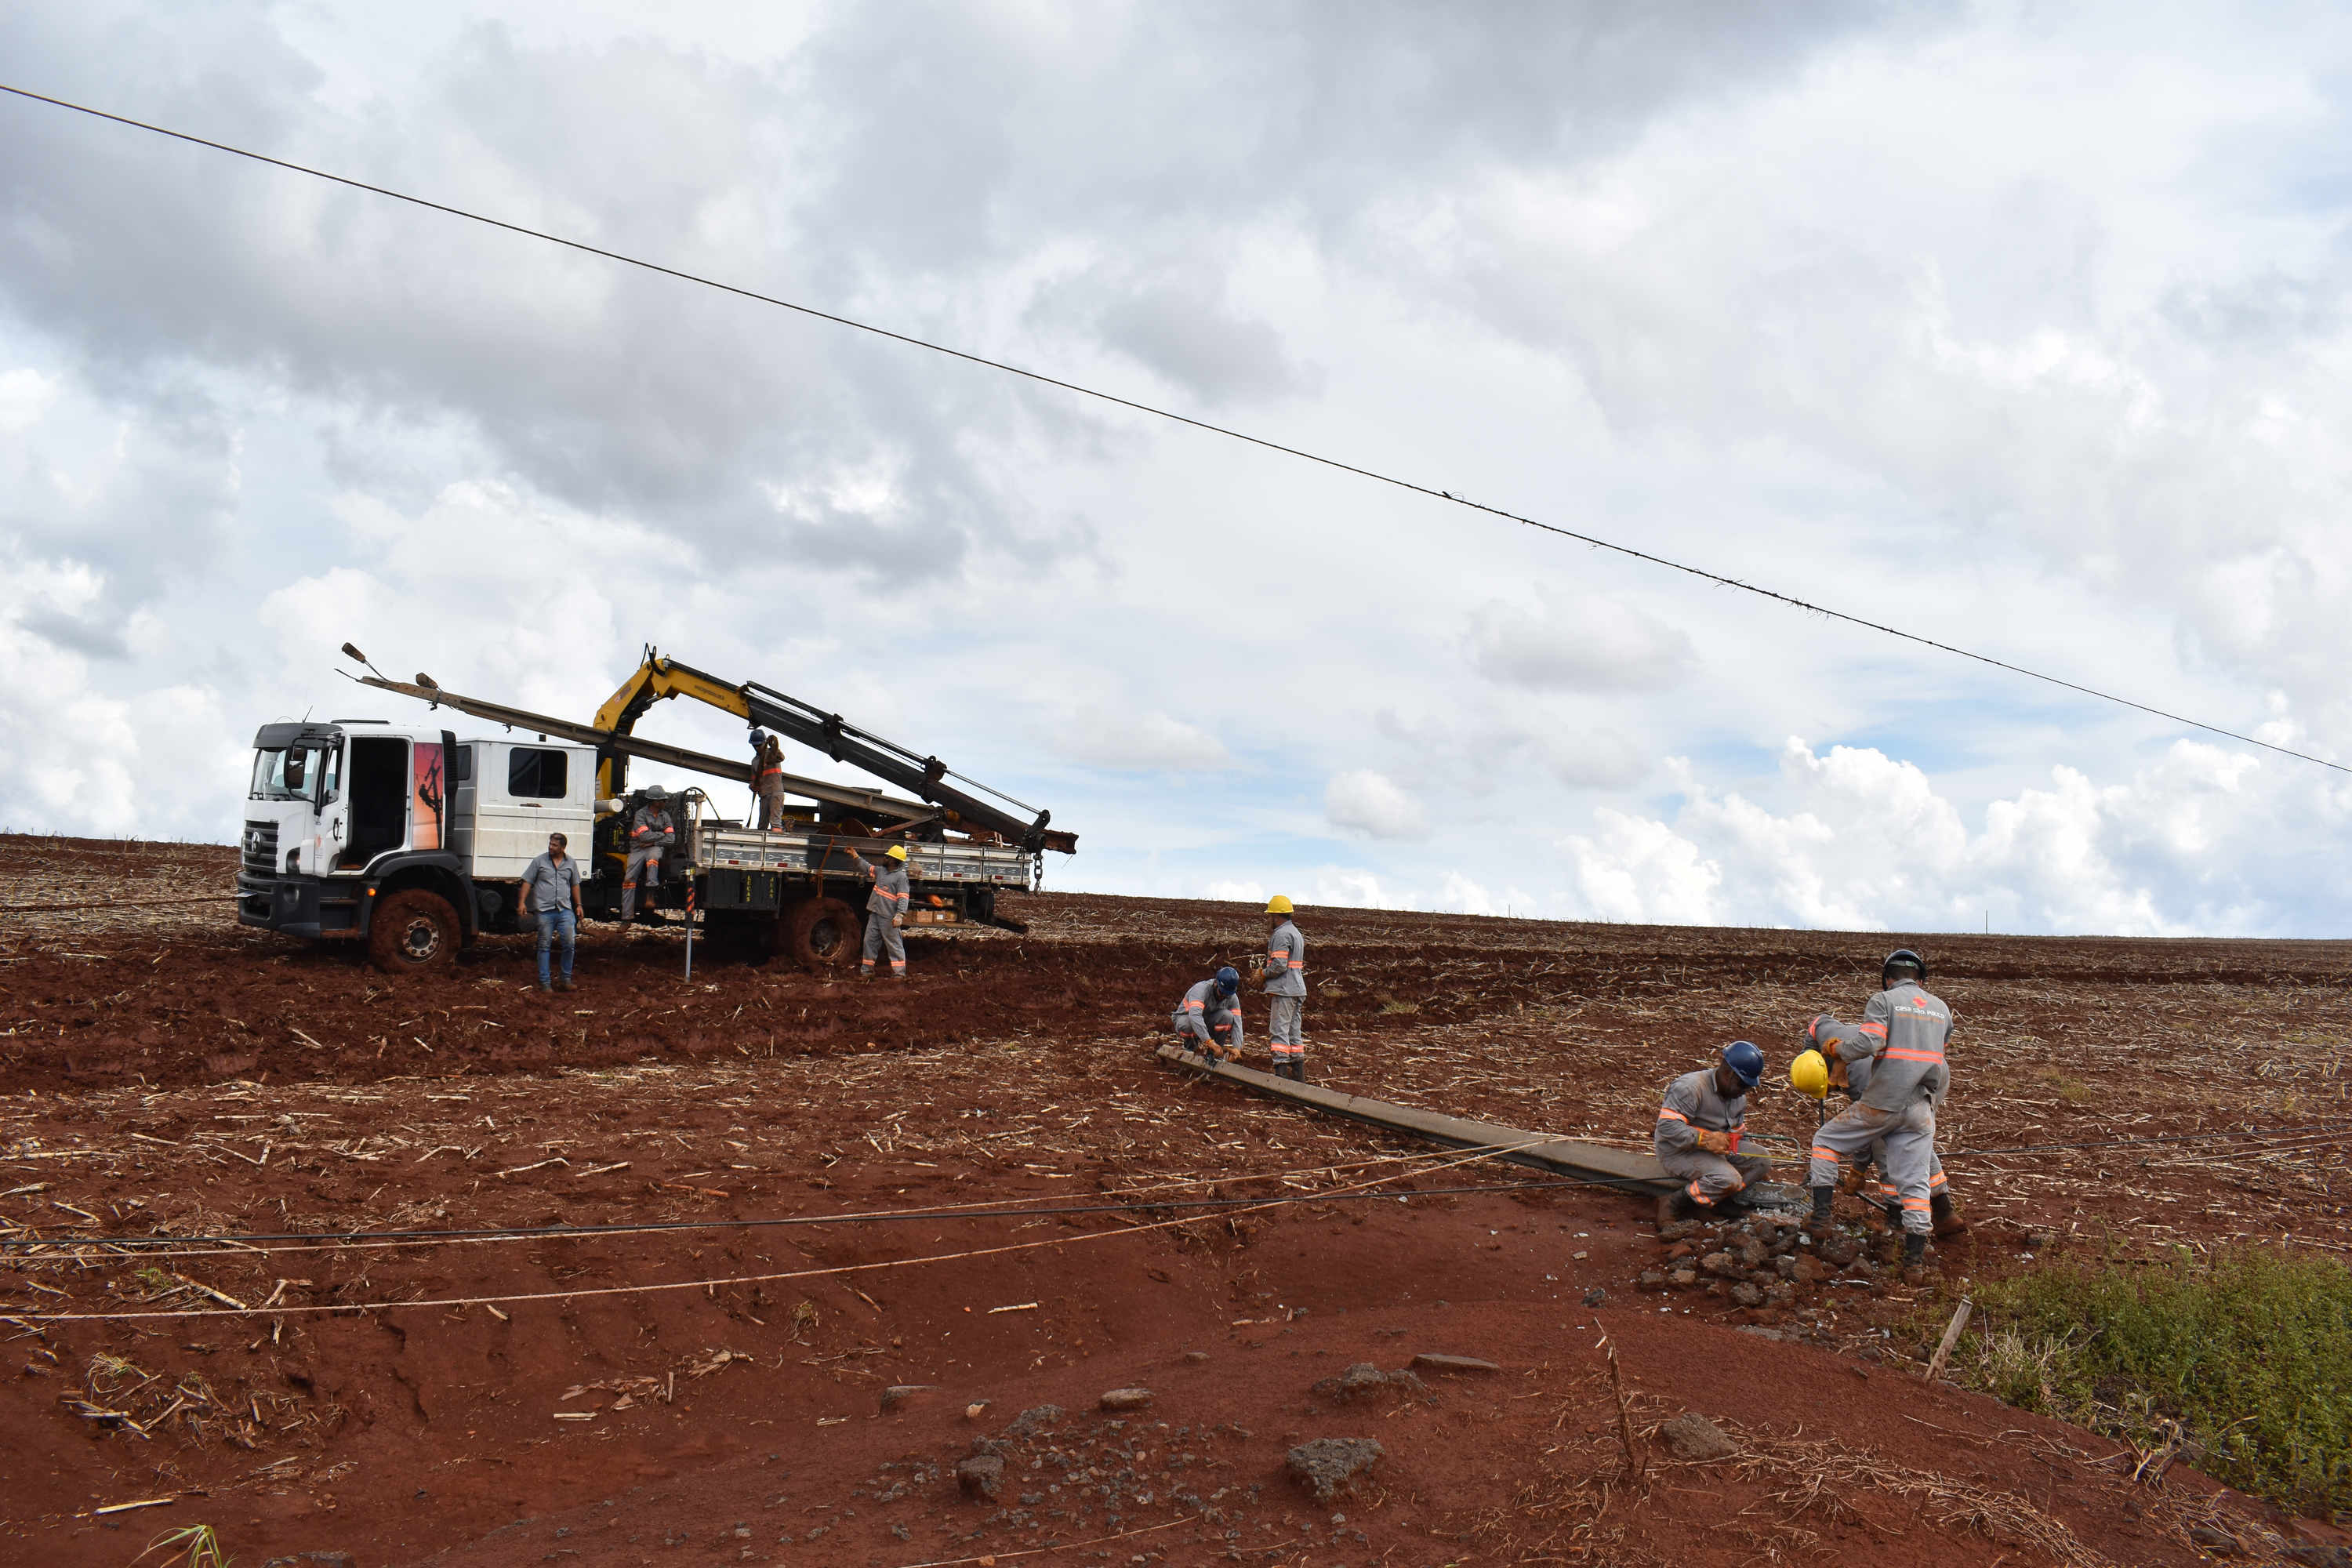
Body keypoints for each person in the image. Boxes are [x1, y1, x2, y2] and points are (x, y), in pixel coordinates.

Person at [1801, 948, 1954, 1270]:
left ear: (1887, 979)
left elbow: (1869, 1043)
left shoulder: (1882, 1001)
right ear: (1921, 980)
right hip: (1921, 1105)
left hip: (1884, 1099)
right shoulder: (1942, 1010)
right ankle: (1913, 1263)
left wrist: (1837, 1050)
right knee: (1914, 1183)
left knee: (1826, 1142)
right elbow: (1941, 1051)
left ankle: (1820, 1219)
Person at [1794, 1018, 1965, 1240]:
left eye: (1829, 1088)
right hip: (1925, 1063)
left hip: (1926, 1077)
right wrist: (1808, 1053)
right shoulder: (1826, 1036)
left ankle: (1897, 1217)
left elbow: (1866, 1134)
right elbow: (1815, 1023)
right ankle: (1944, 1212)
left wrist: (1858, 1171)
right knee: (1915, 1133)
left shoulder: (1860, 1078)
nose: (1832, 1092)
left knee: (1890, 1139)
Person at [1653, 1040, 1771, 1225]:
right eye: (1742, 1085)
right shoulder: (1690, 1087)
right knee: (1728, 1178)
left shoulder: (1738, 1097)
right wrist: (1704, 1139)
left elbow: (1737, 1132)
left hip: (1713, 1152)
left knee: (1762, 1160)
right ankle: (1673, 1202)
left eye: (1748, 1087)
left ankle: (1720, 1200)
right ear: (1728, 1073)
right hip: (1678, 1151)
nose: (1745, 1091)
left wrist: (1744, 1157)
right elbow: (1667, 1128)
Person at [517, 831, 586, 993]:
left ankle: (566, 979)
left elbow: (575, 884)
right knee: (544, 945)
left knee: (569, 943)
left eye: (554, 845)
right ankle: (545, 982)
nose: (550, 847)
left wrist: (579, 905)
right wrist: (522, 903)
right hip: (544, 910)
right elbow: (527, 882)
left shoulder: (571, 863)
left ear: (562, 848)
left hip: (565, 910)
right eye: (550, 844)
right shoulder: (539, 861)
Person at [1258, 895, 1308, 1080]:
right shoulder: (1296, 932)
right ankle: (1298, 1077)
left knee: (1279, 1031)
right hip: (1297, 988)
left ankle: (1281, 1077)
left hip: (1285, 990)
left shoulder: (1280, 935)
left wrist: (1263, 974)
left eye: (1269, 915)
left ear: (1276, 916)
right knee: (1294, 1033)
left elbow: (1279, 965)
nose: (1268, 919)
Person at [849, 842, 911, 980]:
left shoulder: (901, 877)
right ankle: (867, 972)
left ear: (894, 860)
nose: (885, 858)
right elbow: (867, 868)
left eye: (888, 857)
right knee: (869, 942)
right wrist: (855, 856)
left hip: (889, 917)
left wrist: (900, 915)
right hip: (875, 914)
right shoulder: (881, 871)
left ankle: (899, 974)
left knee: (894, 945)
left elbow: (904, 897)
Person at [620, 785, 677, 923]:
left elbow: (671, 839)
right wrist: (661, 834)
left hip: (654, 847)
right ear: (655, 802)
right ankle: (626, 917)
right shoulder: (640, 814)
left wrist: (653, 842)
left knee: (653, 860)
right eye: (663, 800)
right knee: (629, 879)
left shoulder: (666, 816)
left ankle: (650, 897)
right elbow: (643, 837)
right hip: (638, 849)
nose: (665, 802)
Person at [1171, 967, 1246, 1061]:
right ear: (1215, 984)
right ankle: (1191, 1046)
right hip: (1187, 1020)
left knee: (1227, 1016)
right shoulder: (1200, 990)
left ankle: (1215, 1054)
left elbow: (1237, 1023)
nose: (1224, 997)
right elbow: (1195, 1017)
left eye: (1227, 995)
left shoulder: (1231, 997)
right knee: (1186, 1025)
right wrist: (1209, 1041)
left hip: (1207, 1022)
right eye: (1222, 993)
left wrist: (1237, 1048)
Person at [751, 730, 788, 830]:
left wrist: (773, 745)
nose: (757, 748)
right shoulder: (755, 762)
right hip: (764, 794)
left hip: (775, 792)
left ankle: (776, 843)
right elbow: (754, 781)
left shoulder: (772, 754)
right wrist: (753, 786)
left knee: (775, 824)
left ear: (764, 743)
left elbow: (781, 757)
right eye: (755, 746)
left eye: (759, 745)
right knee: (762, 826)